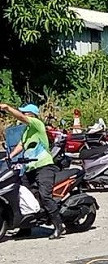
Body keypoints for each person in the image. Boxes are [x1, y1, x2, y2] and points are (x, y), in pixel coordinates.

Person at [1, 102, 66, 237]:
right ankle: (26, 227)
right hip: (30, 168)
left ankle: (59, 226)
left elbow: (21, 118)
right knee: (22, 194)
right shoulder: (26, 131)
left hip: (44, 166)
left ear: (32, 115)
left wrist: (7, 108)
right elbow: (21, 145)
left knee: (44, 195)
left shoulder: (37, 124)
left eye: (25, 113)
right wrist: (9, 157)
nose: (23, 115)